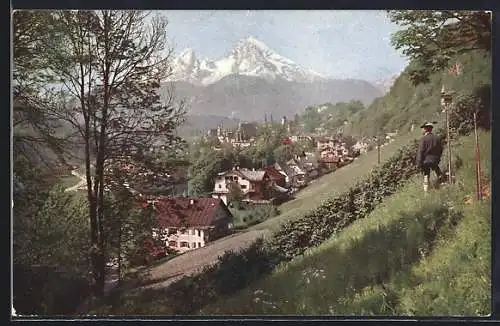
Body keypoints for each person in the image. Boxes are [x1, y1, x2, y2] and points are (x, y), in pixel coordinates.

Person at [416, 122, 444, 192]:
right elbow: (441, 149)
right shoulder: (437, 138)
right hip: (435, 159)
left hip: (426, 161)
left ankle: (426, 191)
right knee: (437, 170)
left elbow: (420, 151)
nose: (422, 130)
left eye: (423, 128)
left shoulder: (423, 139)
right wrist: (438, 158)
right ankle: (443, 183)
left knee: (426, 175)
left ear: (425, 129)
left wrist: (419, 163)